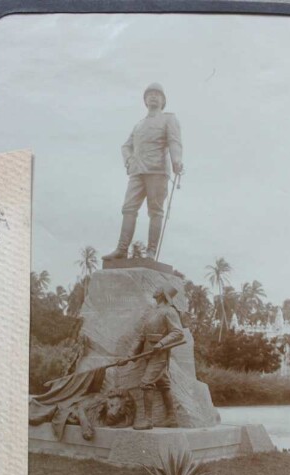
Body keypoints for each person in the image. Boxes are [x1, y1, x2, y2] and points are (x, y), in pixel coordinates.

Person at [103, 83, 183, 261]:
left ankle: (151, 251)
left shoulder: (169, 119)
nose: (153, 97)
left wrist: (177, 160)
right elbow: (126, 146)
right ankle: (122, 249)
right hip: (137, 171)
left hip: (157, 170)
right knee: (128, 208)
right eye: (150, 95)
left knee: (155, 211)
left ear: (163, 101)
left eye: (157, 95)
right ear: (145, 101)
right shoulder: (139, 125)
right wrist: (129, 160)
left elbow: (174, 141)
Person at [117, 284, 184, 429]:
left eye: (159, 288)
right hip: (148, 353)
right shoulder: (152, 312)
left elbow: (178, 332)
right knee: (163, 384)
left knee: (147, 383)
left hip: (159, 354)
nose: (155, 289)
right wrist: (129, 356)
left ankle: (148, 420)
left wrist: (161, 343)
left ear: (163, 293)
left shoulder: (169, 312)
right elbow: (141, 337)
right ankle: (172, 418)